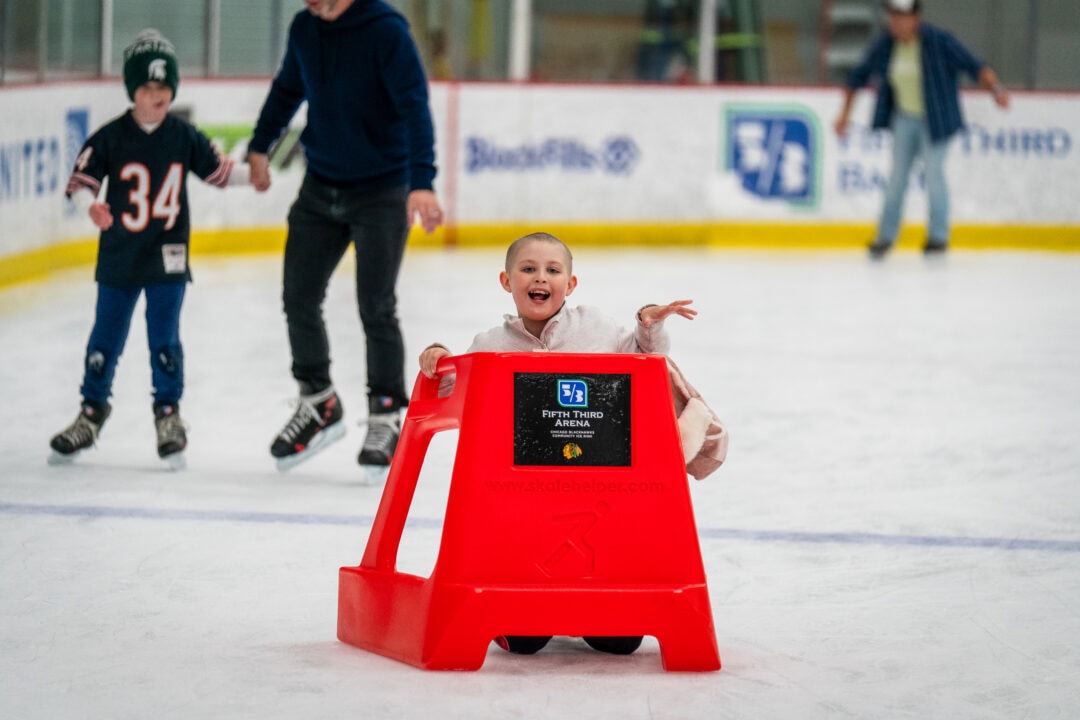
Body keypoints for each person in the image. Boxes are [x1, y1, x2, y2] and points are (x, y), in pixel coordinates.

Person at [419, 231, 729, 657]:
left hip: (600, 491)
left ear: (571, 283)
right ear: (507, 281)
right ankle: (528, 607)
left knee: (620, 642)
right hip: (525, 497)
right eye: (528, 269)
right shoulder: (491, 344)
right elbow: (447, 392)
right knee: (524, 642)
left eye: (552, 270)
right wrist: (438, 356)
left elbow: (644, 359)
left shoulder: (596, 327)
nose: (539, 278)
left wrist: (649, 323)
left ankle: (594, 605)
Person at [247, 0, 443, 472]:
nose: (313, 3)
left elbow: (415, 105)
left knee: (376, 305)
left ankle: (385, 413)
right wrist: (260, 144)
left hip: (383, 188)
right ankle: (319, 401)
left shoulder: (386, 32)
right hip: (321, 186)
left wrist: (421, 182)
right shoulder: (305, 28)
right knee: (298, 296)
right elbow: (288, 88)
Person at [48, 29, 248, 469]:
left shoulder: (183, 136)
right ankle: (92, 411)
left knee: (164, 339)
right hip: (119, 257)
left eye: (164, 87)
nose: (156, 95)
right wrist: (92, 207)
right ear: (132, 90)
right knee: (105, 339)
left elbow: (218, 171)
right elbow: (80, 182)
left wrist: (256, 173)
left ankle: (168, 413)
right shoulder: (110, 137)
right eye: (147, 87)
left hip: (167, 257)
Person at [833, 0, 1010, 258]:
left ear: (916, 18)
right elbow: (857, 77)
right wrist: (844, 116)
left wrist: (996, 89)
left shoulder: (940, 42)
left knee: (934, 174)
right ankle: (885, 237)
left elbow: (975, 66)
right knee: (896, 179)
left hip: (936, 121)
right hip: (904, 119)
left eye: (901, 16)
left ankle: (938, 237)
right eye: (892, 16)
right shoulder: (885, 45)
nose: (895, 22)